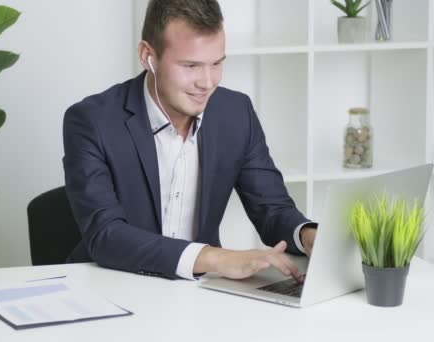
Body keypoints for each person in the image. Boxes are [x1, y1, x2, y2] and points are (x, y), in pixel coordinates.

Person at [63, 0, 317, 281]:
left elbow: (272, 208)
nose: (207, 82)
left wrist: (307, 235)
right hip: (113, 284)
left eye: (217, 64)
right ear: (148, 55)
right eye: (191, 65)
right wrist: (214, 257)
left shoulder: (235, 113)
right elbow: (106, 235)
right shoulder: (91, 121)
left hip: (197, 297)